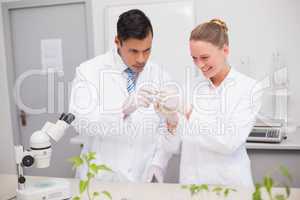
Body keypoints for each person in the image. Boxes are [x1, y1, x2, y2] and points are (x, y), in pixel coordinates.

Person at [69, 9, 174, 183]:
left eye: (147, 50)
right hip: (101, 179)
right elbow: (80, 124)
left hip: (143, 178)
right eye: (134, 51)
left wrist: (158, 162)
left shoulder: (159, 75)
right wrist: (121, 112)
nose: (141, 59)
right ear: (117, 41)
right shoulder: (89, 72)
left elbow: (165, 128)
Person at [155, 19, 262, 187]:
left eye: (205, 57)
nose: (200, 65)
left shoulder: (249, 89)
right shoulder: (190, 87)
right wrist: (170, 121)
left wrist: (188, 110)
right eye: (194, 58)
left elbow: (228, 142)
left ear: (225, 50)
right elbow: (173, 147)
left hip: (231, 187)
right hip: (192, 185)